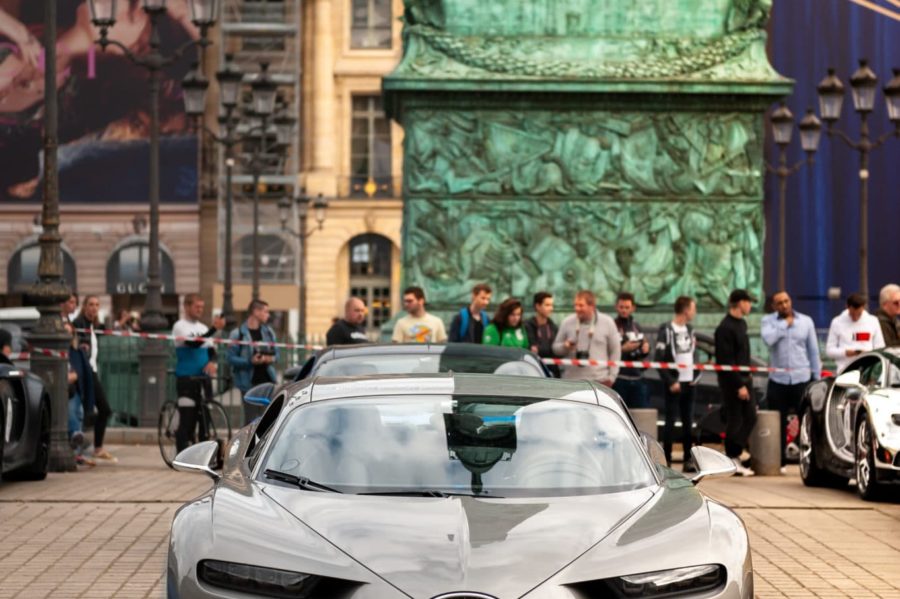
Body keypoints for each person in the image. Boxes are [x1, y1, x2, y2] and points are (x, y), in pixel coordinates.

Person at [761, 291, 822, 472]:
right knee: (777, 423)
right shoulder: (768, 321)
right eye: (779, 303)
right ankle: (780, 461)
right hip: (778, 380)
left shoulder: (806, 321)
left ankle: (810, 459)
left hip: (801, 378)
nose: (784, 305)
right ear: (774, 306)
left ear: (791, 301)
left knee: (806, 420)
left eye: (786, 301)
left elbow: (813, 351)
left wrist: (816, 378)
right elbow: (768, 340)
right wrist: (783, 326)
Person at [173, 294, 225, 452]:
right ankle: (181, 454)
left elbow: (211, 351)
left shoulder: (202, 328)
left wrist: (212, 362)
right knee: (187, 418)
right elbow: (192, 343)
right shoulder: (180, 326)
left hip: (204, 378)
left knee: (205, 418)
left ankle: (202, 454)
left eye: (202, 307)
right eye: (197, 307)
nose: (200, 310)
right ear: (186, 307)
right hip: (187, 378)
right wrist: (214, 329)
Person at [715, 289, 756, 477]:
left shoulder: (742, 324)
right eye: (748, 302)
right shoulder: (725, 328)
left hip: (745, 379)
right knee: (736, 420)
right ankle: (732, 457)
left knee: (750, 417)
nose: (750, 306)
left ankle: (736, 452)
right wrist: (739, 384)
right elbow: (726, 360)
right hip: (732, 382)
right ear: (740, 303)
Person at [654, 296, 698, 470]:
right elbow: (659, 360)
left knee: (688, 423)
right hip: (674, 383)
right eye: (693, 309)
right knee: (670, 422)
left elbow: (695, 356)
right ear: (686, 310)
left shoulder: (690, 330)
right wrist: (671, 380)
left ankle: (688, 459)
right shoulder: (666, 330)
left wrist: (695, 377)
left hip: (689, 382)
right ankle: (667, 459)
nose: (694, 312)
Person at [71, 295, 115, 462]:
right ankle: (94, 448)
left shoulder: (92, 325)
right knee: (102, 409)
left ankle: (92, 447)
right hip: (86, 373)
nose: (94, 308)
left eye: (97, 305)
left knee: (91, 410)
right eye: (90, 304)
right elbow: (80, 348)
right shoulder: (79, 324)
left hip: (92, 372)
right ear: (84, 307)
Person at [552, 290, 620, 386]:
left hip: (599, 381)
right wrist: (565, 346)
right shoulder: (567, 322)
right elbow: (555, 348)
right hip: (571, 381)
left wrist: (612, 377)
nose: (577, 309)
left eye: (581, 305)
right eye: (575, 305)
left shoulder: (607, 322)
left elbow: (615, 350)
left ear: (592, 306)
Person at [228, 299, 279, 425]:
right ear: (256, 311)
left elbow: (277, 355)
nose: (268, 315)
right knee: (250, 422)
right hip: (248, 383)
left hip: (267, 382)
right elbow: (230, 358)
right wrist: (250, 361)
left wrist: (269, 359)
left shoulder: (268, 332)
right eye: (265, 311)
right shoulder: (237, 334)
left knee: (269, 421)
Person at [825, 292, 886, 373]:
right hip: (844, 369)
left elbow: (880, 347)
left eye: (859, 314)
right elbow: (829, 351)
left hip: (867, 370)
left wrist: (868, 353)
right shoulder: (837, 322)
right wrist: (845, 353)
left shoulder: (873, 321)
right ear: (847, 307)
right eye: (852, 314)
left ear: (863, 308)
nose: (855, 317)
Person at [63, 320, 95, 467]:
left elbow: (84, 375)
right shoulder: (56, 351)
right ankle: (76, 435)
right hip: (64, 392)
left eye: (70, 333)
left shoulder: (77, 352)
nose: (67, 337)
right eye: (64, 333)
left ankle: (77, 451)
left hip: (74, 392)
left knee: (76, 410)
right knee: (72, 410)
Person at [612, 292, 651, 408]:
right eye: (621, 307)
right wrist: (622, 349)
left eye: (627, 307)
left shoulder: (636, 327)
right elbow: (606, 350)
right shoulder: (612, 325)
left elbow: (645, 347)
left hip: (637, 377)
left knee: (640, 417)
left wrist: (646, 348)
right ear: (616, 307)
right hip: (619, 378)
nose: (624, 310)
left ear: (633, 308)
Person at [524, 291, 559, 377]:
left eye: (552, 305)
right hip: (533, 370)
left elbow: (556, 350)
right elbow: (531, 348)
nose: (551, 308)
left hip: (552, 371)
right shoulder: (527, 325)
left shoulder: (553, 326)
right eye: (547, 305)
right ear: (538, 306)